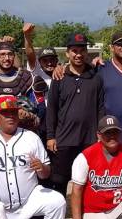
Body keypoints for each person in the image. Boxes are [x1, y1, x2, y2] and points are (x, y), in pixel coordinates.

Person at [45, 33, 105, 196]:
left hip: (89, 140)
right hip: (64, 140)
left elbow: (100, 108)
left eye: (82, 50)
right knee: (59, 182)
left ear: (86, 52)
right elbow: (52, 108)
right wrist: (51, 136)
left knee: (88, 182)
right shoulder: (59, 77)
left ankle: (88, 218)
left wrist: (100, 134)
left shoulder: (96, 78)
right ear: (67, 53)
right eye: (74, 51)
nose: (78, 54)